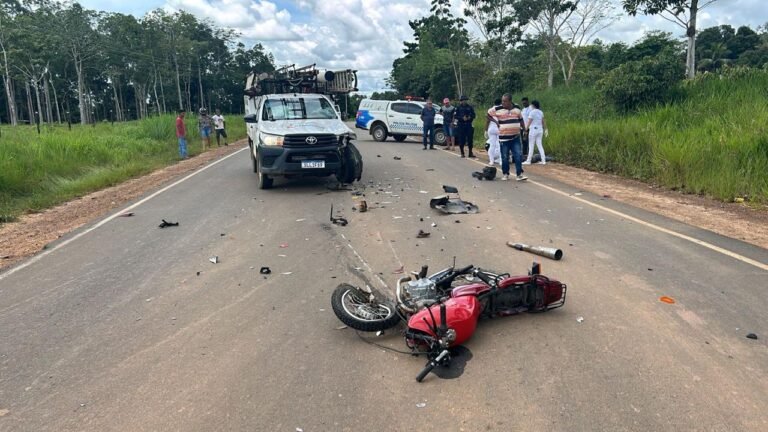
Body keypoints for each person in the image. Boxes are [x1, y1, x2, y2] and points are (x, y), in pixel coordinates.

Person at [486, 94, 527, 181]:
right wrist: (496, 122)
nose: (503, 103)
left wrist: (525, 130)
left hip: (515, 137)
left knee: (518, 155)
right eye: (502, 101)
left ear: (510, 101)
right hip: (504, 138)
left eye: (505, 101)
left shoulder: (517, 109)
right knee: (505, 157)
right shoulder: (497, 109)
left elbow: (521, 119)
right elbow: (488, 115)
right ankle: (505, 174)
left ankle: (519, 174)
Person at [524, 100, 548, 165]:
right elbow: (543, 121)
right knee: (540, 145)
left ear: (533, 105)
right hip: (540, 130)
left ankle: (528, 160)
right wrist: (546, 129)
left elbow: (529, 122)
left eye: (531, 105)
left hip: (533, 130)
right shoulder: (541, 112)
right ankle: (543, 160)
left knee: (531, 145)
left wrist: (525, 129)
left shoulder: (532, 112)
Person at [484, 98, 502, 166]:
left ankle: (491, 161)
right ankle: (500, 160)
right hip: (499, 129)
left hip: (491, 129)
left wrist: (485, 130)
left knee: (492, 145)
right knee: (500, 145)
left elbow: (487, 121)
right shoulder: (501, 110)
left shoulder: (490, 110)